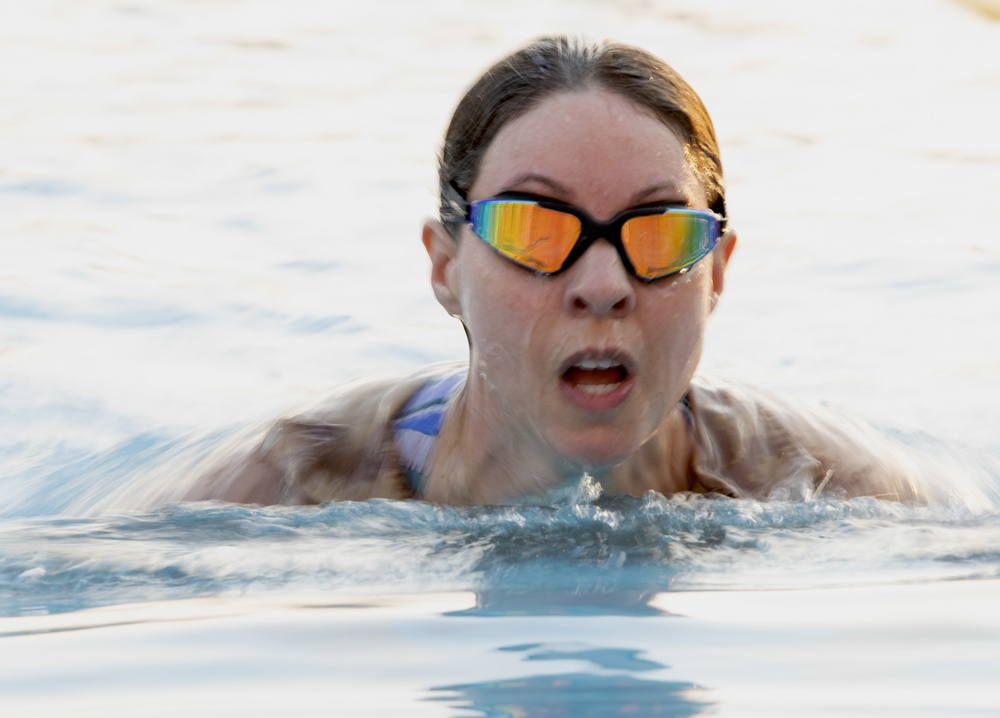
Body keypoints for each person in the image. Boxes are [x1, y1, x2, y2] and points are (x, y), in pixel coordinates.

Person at [182, 36, 935, 507]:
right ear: (445, 266)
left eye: (660, 234)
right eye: (535, 229)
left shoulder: (818, 484)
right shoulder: (295, 483)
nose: (603, 284)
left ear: (719, 271)